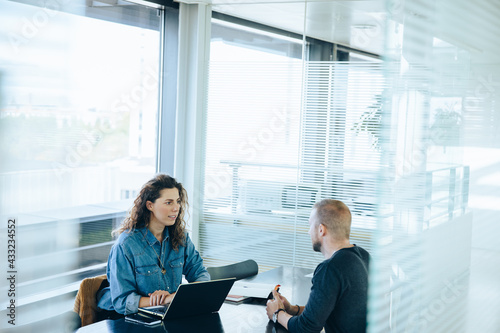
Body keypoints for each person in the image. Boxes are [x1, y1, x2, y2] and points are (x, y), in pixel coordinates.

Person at [97, 174, 210, 316]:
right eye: (168, 202)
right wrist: (164, 299)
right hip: (125, 320)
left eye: (178, 201)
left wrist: (177, 296)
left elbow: (200, 274)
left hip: (165, 314)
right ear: (150, 205)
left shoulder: (181, 238)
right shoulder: (126, 245)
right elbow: (122, 302)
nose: (176, 208)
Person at [266, 199, 370, 333]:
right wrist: (292, 309)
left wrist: (277, 314)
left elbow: (306, 328)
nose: (308, 232)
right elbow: (328, 310)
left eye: (310, 225)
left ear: (321, 229)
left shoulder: (330, 268)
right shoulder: (364, 256)